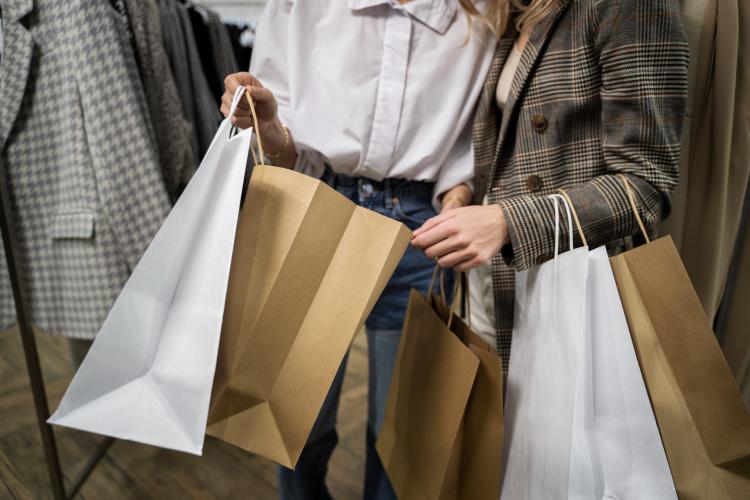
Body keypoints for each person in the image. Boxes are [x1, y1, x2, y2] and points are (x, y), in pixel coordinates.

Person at [220, 1, 495, 498]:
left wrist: (459, 197)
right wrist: (264, 123)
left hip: (421, 226)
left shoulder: (475, 18)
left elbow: (472, 143)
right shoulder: (301, 7)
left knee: (401, 427)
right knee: (294, 413)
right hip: (318, 203)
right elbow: (279, 146)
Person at [411, 0, 689, 367]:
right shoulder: (515, 11)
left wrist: (508, 222)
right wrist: (461, 198)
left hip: (572, 291)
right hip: (495, 281)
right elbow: (511, 145)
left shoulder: (629, 6)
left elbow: (644, 187)